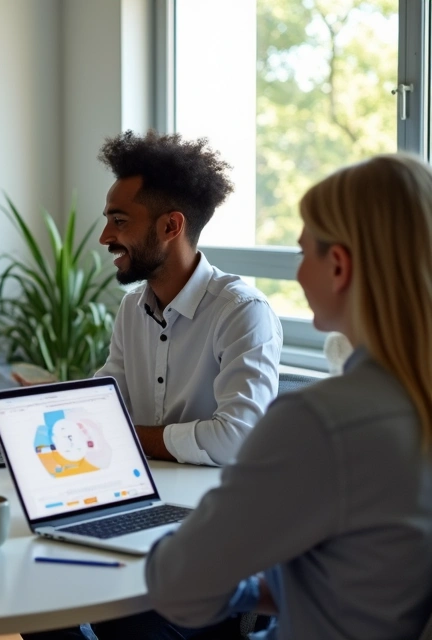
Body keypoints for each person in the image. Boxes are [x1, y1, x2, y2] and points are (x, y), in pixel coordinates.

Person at [146, 154, 432, 639]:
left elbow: (177, 586)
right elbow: (368, 579)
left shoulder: (321, 422)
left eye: (303, 254)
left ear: (338, 266)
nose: (298, 274)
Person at [0, 130, 282, 469]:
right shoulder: (133, 308)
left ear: (170, 227)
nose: (105, 237)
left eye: (119, 221)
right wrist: (38, 417)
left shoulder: (242, 312)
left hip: (211, 504)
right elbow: (105, 404)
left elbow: (237, 440)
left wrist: (122, 433)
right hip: (141, 486)